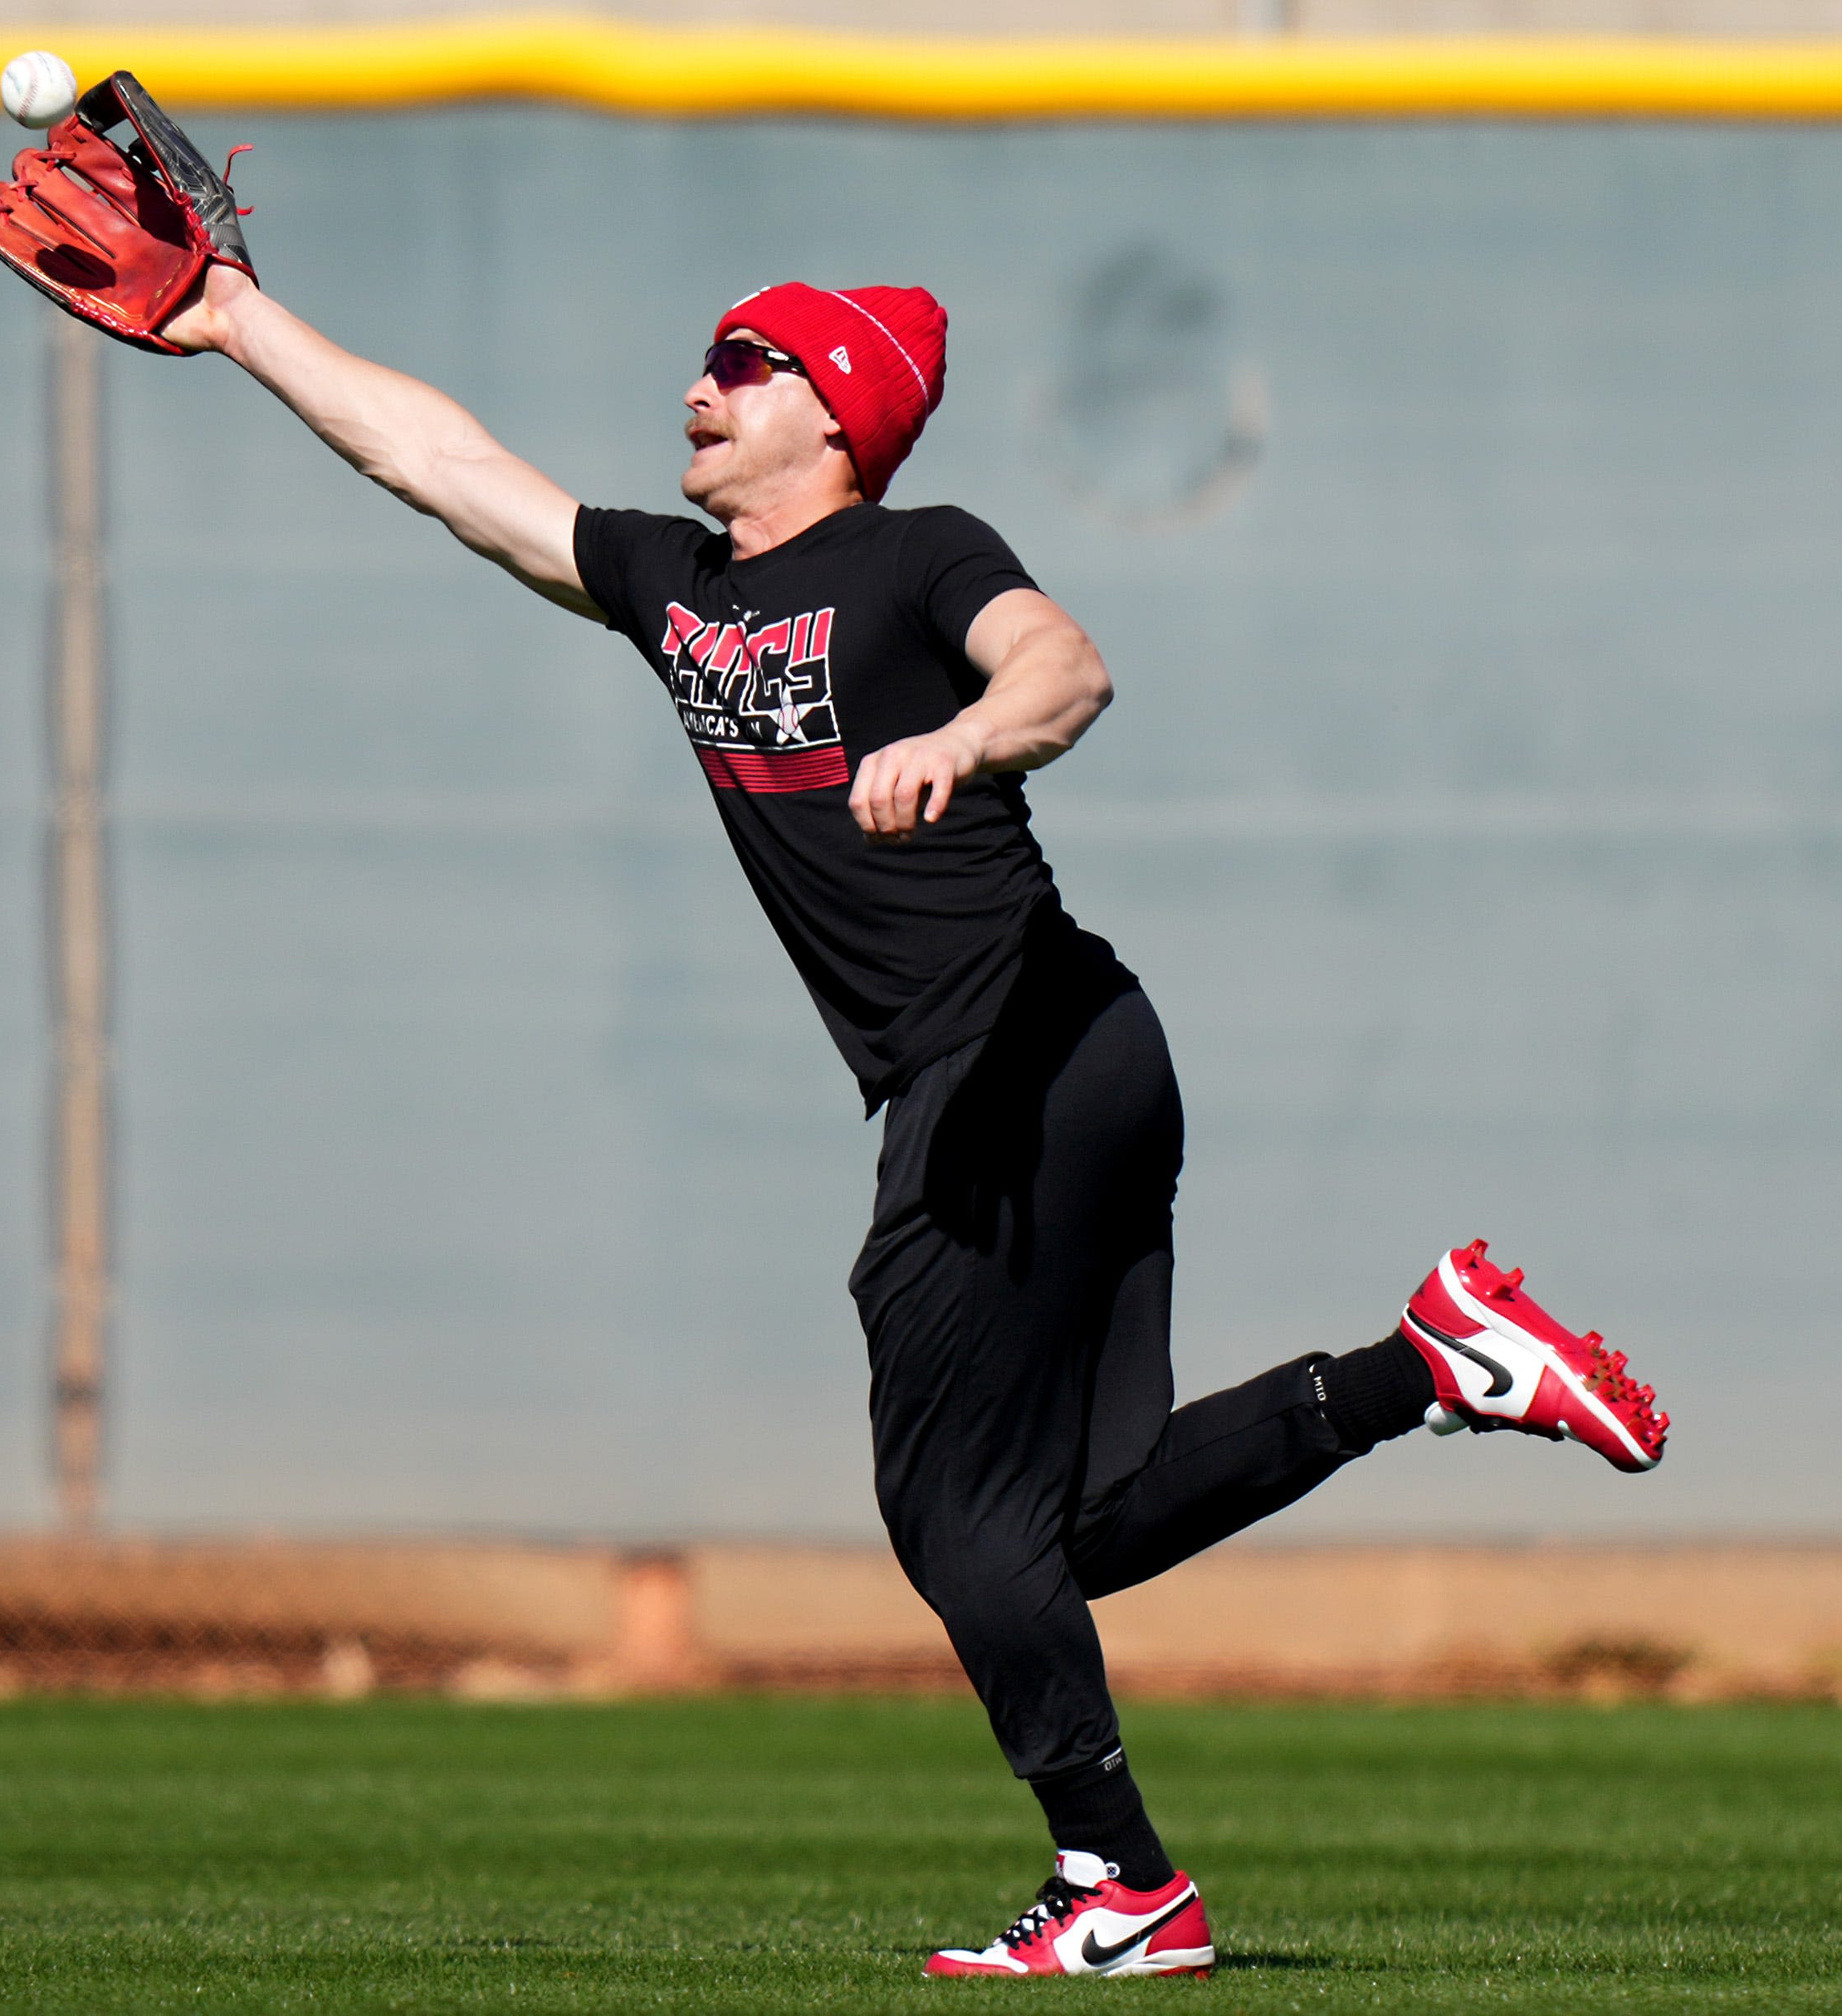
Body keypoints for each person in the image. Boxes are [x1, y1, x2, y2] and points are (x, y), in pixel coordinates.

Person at [155, 263, 1669, 1981]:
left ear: (834, 405)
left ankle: (1123, 1884)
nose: (701, 383)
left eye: (745, 360)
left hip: (1015, 1053)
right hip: (1056, 1060)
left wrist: (965, 735)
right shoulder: (677, 586)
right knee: (1067, 1523)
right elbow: (440, 465)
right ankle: (1430, 1362)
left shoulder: (915, 551)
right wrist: (236, 320)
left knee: (953, 1516)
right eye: (708, 353)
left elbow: (1065, 669)